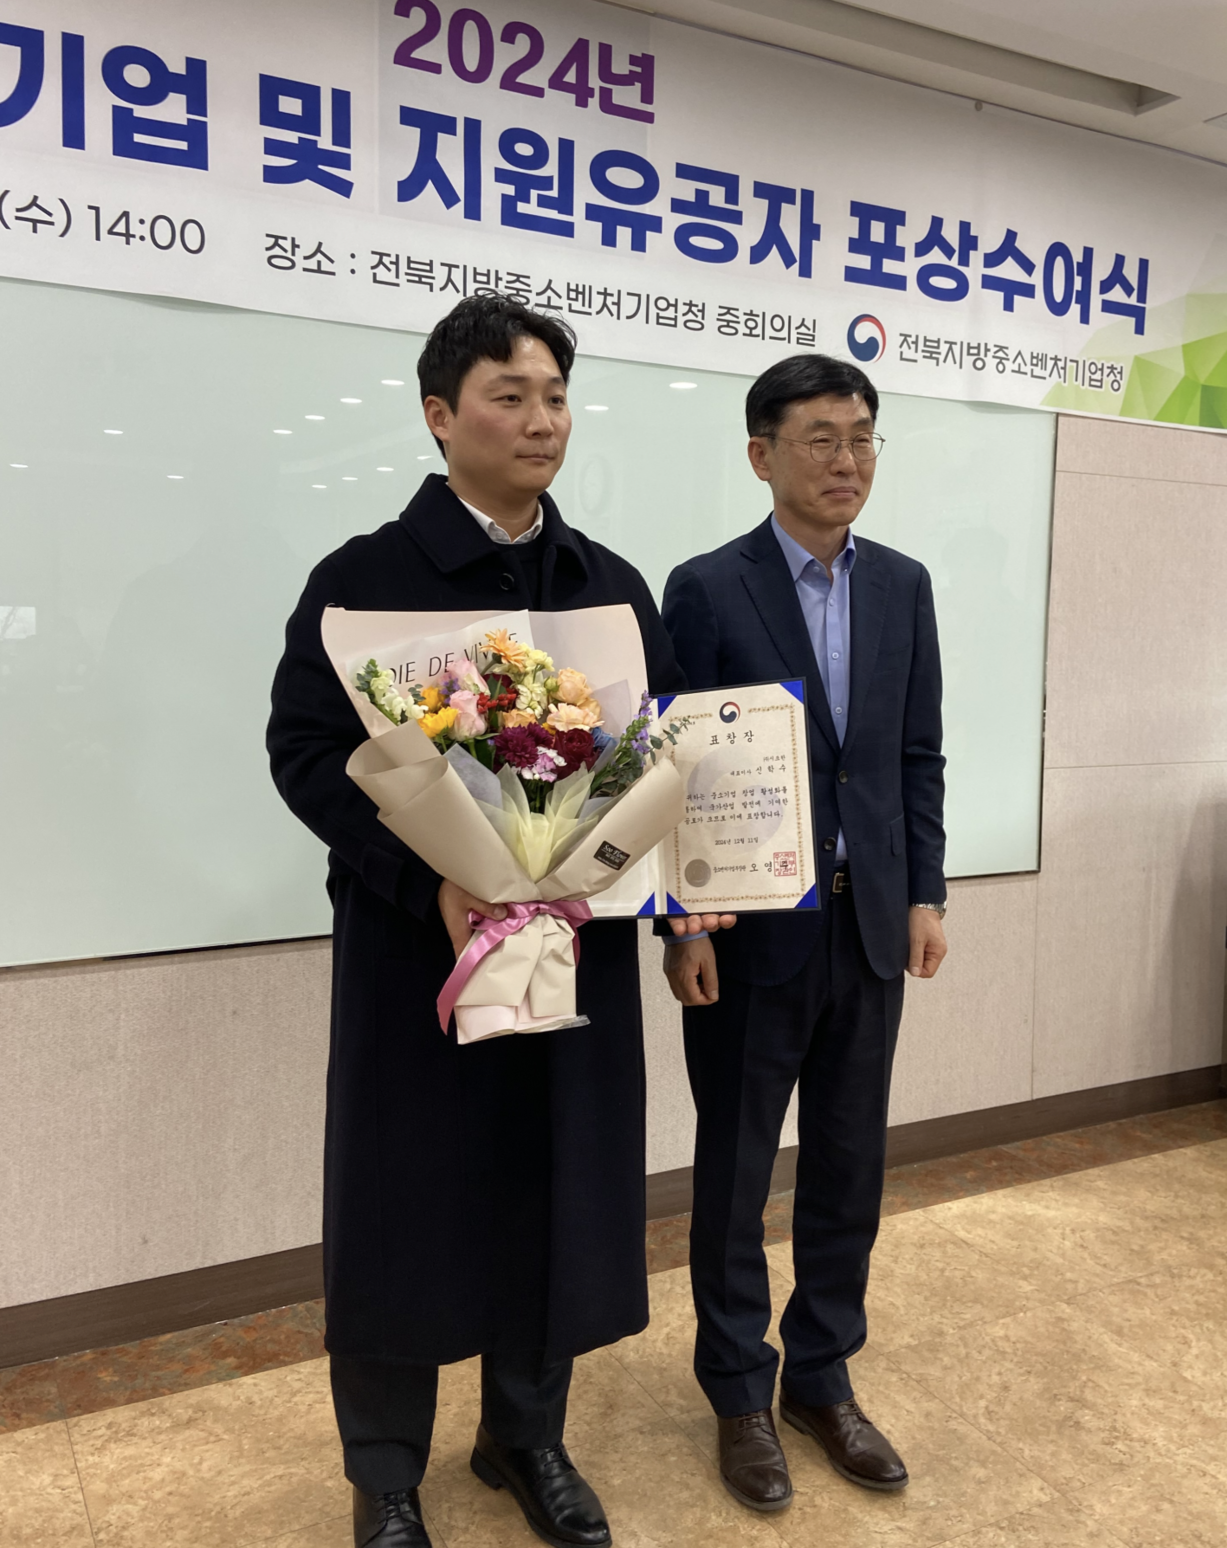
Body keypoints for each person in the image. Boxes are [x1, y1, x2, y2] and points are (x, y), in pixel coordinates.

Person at [267, 295, 725, 1548]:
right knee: (404, 1201)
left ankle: (524, 1435)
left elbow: (660, 762)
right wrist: (425, 879)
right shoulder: (361, 580)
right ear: (439, 414)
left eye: (555, 398)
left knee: (553, 1186)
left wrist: (682, 915)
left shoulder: (609, 586)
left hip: (575, 948)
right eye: (508, 396)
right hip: (418, 953)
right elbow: (304, 754)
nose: (540, 421)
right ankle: (385, 1471)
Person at [659, 352, 948, 1513]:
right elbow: (671, 765)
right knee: (734, 1170)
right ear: (760, 454)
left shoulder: (902, 585)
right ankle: (738, 1389)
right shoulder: (705, 587)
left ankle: (820, 1378)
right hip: (747, 932)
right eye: (820, 438)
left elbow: (914, 753)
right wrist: (679, 924)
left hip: (867, 923)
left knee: (846, 1163)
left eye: (862, 436)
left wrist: (924, 892)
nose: (846, 460)